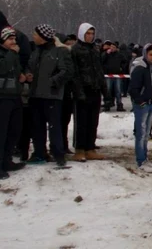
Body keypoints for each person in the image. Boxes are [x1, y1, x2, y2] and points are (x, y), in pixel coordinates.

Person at [26, 24, 71, 167]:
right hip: (35, 95)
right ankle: (39, 153)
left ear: (43, 37)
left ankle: (58, 154)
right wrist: (28, 74)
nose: (33, 36)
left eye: (35, 34)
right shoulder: (35, 51)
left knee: (54, 127)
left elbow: (65, 71)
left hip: (52, 96)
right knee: (37, 127)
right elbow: (29, 66)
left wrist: (52, 82)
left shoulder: (59, 52)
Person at [0, 27, 27, 179]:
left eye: (14, 39)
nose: (13, 42)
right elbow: (1, 68)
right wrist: (12, 53)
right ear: (3, 40)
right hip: (0, 97)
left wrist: (22, 76)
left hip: (14, 95)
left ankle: (6, 161)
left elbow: (14, 70)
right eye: (10, 39)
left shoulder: (12, 54)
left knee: (14, 130)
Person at [71, 23, 108, 162]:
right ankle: (79, 149)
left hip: (95, 89)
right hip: (82, 90)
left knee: (93, 121)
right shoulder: (75, 50)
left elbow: (99, 71)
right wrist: (78, 92)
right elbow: (74, 73)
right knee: (81, 121)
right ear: (82, 34)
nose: (90, 36)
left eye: (92, 34)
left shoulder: (95, 50)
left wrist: (105, 91)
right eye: (88, 33)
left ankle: (90, 148)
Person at [130, 42, 152, 172]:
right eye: (150, 54)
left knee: (146, 133)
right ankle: (141, 159)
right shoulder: (139, 69)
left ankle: (145, 157)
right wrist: (140, 100)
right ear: (145, 54)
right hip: (142, 105)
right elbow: (133, 88)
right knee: (141, 133)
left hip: (151, 104)